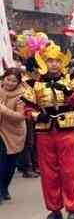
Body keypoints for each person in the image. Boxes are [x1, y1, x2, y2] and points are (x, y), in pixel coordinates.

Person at [21, 44, 74, 219]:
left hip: (68, 128)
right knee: (49, 173)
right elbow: (27, 108)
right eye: (50, 60)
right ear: (44, 62)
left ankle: (73, 210)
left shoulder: (71, 78)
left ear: (62, 62)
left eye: (57, 60)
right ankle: (54, 210)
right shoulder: (35, 83)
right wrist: (36, 115)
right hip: (45, 130)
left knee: (70, 171)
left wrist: (66, 91)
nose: (54, 64)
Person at [0, 68, 26, 204]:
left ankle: (4, 188)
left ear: (18, 83)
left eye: (13, 81)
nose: (10, 83)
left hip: (14, 133)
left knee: (9, 165)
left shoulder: (22, 96)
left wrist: (3, 110)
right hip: (0, 132)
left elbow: (21, 116)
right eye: (8, 79)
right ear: (3, 78)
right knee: (1, 162)